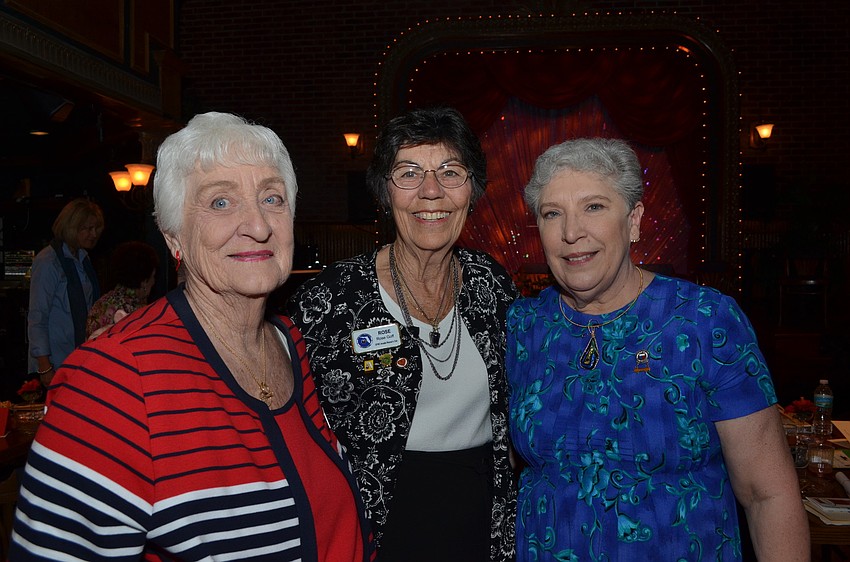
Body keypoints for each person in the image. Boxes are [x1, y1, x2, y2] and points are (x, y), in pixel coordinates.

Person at [10, 112, 374, 561]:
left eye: (273, 198)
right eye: (221, 202)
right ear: (173, 237)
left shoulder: (294, 344)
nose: (258, 225)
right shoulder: (113, 382)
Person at [507, 137, 809, 561]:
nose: (572, 232)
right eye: (552, 213)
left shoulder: (705, 321)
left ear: (633, 220)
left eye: (594, 207)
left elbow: (768, 495)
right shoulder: (524, 326)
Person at [287, 106, 518, 562]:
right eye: (409, 172)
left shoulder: (492, 284)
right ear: (384, 190)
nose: (431, 192)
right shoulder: (332, 299)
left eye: (450, 172)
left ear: (471, 190)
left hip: (483, 523)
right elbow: (294, 424)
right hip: (375, 527)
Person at [27, 197, 104, 384]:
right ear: (71, 228)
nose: (93, 234)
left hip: (78, 357)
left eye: (95, 228)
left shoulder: (83, 259)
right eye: (86, 228)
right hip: (56, 361)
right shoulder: (48, 261)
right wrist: (45, 367)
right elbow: (37, 317)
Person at [87, 240, 159, 338]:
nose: (154, 281)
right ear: (144, 282)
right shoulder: (136, 313)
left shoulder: (102, 303)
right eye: (153, 276)